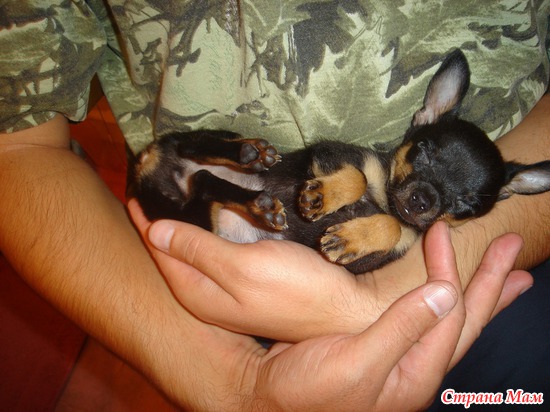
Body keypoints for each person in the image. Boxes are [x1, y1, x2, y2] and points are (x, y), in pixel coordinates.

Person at [0, 1, 548, 409]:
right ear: (424, 116)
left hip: (483, 283)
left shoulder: (407, 231)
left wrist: (388, 297)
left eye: (461, 200)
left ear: (489, 201)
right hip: (226, 290)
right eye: (423, 159)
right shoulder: (368, 170)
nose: (424, 196)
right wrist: (231, 382)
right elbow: (18, 151)